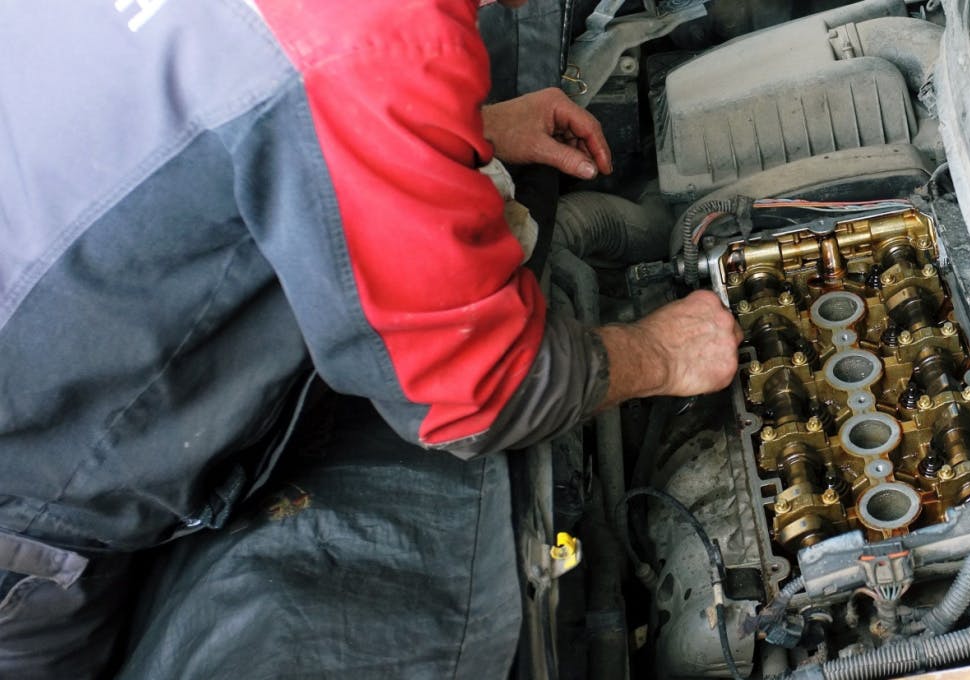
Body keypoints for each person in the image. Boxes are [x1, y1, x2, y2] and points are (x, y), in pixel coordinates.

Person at [0, 1, 742, 678]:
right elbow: (478, 391)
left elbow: (234, 95)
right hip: (33, 498)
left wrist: (458, 129)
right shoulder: (376, 46)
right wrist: (660, 354)